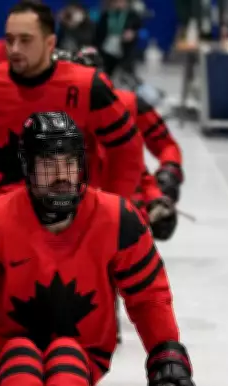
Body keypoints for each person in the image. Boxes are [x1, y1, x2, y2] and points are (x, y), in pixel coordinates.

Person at [0, 111, 197, 386]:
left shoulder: (120, 220)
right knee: (19, 354)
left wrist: (167, 355)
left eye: (69, 163)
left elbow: (148, 297)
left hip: (86, 350)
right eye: (48, 164)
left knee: (68, 358)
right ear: (28, 168)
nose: (61, 176)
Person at [0, 0, 144, 243]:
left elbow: (127, 148)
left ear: (50, 43)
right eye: (10, 40)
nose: (14, 49)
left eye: (25, 40)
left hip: (69, 227)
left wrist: (114, 209)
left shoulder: (88, 86)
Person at [72, 46, 180, 240]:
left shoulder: (131, 104)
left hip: (124, 209)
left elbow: (163, 147)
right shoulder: (55, 113)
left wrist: (166, 179)